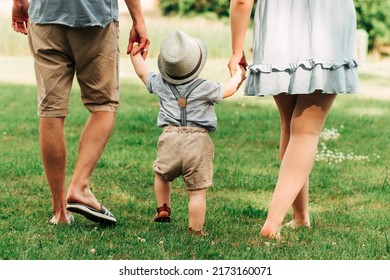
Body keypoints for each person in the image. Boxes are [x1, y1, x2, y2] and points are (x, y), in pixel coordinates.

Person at [11, 0, 150, 226]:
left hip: (46, 16)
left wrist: (19, 2)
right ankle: (79, 186)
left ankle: (60, 212)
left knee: (51, 111)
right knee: (104, 104)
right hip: (95, 18)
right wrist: (138, 20)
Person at [228, 0, 359, 238]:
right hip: (325, 27)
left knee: (290, 125)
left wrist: (237, 50)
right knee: (305, 132)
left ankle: (300, 217)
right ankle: (272, 223)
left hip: (279, 29)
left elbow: (241, 1)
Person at [131, 30, 246, 235]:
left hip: (170, 138)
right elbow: (228, 90)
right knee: (197, 191)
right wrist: (239, 74)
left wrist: (135, 55)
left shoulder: (160, 83)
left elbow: (142, 73)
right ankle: (196, 229)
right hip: (199, 141)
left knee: (161, 175)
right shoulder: (205, 87)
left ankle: (163, 208)